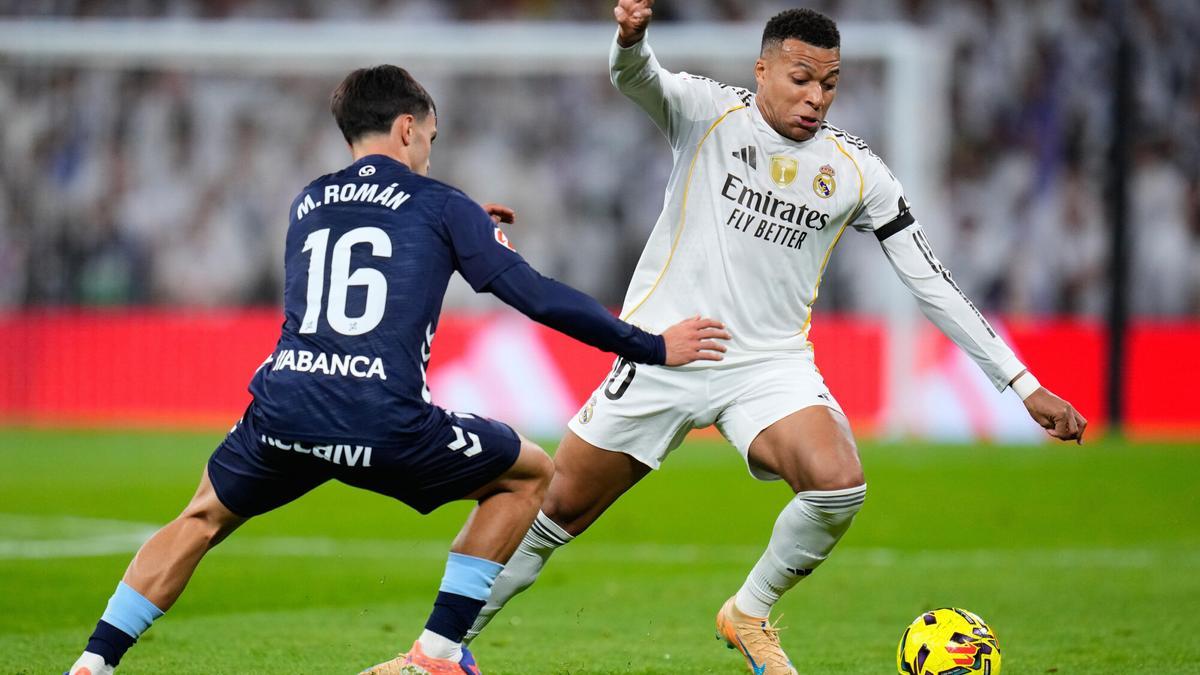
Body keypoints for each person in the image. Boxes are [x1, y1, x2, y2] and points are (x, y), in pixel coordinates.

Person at [465, 3, 1088, 674]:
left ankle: (749, 611)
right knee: (557, 508)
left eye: (830, 83)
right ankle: (440, 648)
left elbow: (931, 280)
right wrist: (630, 37)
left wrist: (1021, 383)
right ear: (762, 71)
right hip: (665, 349)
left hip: (768, 362)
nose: (816, 97)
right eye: (800, 79)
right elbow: (635, 77)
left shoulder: (856, 170)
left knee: (839, 483)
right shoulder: (706, 112)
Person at [65, 64, 730, 675]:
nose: (429, 153)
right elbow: (534, 294)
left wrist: (467, 230)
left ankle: (93, 663)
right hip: (380, 416)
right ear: (407, 127)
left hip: (285, 405)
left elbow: (375, 254)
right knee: (528, 472)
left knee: (201, 517)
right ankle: (439, 651)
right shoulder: (440, 205)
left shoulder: (308, 202)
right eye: (430, 138)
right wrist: (650, 344)